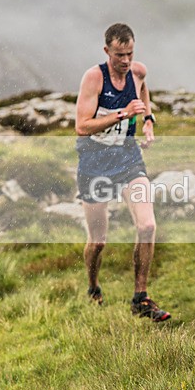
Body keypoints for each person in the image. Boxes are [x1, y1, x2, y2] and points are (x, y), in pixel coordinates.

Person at [74, 23, 170, 322]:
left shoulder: (138, 71)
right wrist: (123, 113)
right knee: (98, 241)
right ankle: (92, 286)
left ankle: (140, 298)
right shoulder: (94, 78)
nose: (126, 61)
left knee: (147, 226)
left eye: (130, 53)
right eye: (119, 55)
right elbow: (81, 125)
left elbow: (143, 92)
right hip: (94, 163)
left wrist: (149, 119)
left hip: (128, 158)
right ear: (107, 52)